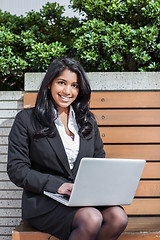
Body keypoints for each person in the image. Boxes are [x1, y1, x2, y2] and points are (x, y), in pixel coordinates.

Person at [7, 57, 128, 240]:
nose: (67, 91)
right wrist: (59, 186)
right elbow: (17, 169)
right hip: (46, 200)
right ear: (49, 84)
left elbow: (98, 159)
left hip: (82, 198)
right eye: (61, 83)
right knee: (91, 218)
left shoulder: (87, 120)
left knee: (118, 217)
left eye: (75, 85)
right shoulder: (26, 120)